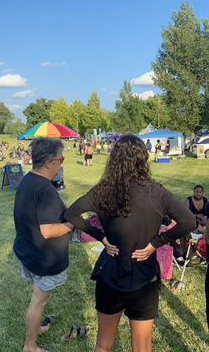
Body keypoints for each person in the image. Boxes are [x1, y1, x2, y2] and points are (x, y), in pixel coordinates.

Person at [58, 134, 195, 352]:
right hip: (143, 276)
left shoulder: (104, 189)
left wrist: (100, 236)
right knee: (141, 348)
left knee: (103, 345)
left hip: (111, 273)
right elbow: (189, 221)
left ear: (114, 159)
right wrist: (155, 244)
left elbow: (71, 214)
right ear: (143, 158)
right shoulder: (156, 191)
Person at [12, 137, 82, 352]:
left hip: (28, 251)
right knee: (38, 301)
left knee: (39, 298)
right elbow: (48, 230)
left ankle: (34, 331)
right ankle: (29, 346)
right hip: (42, 257)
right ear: (50, 162)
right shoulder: (45, 189)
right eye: (61, 159)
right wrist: (72, 224)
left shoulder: (28, 179)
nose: (62, 163)